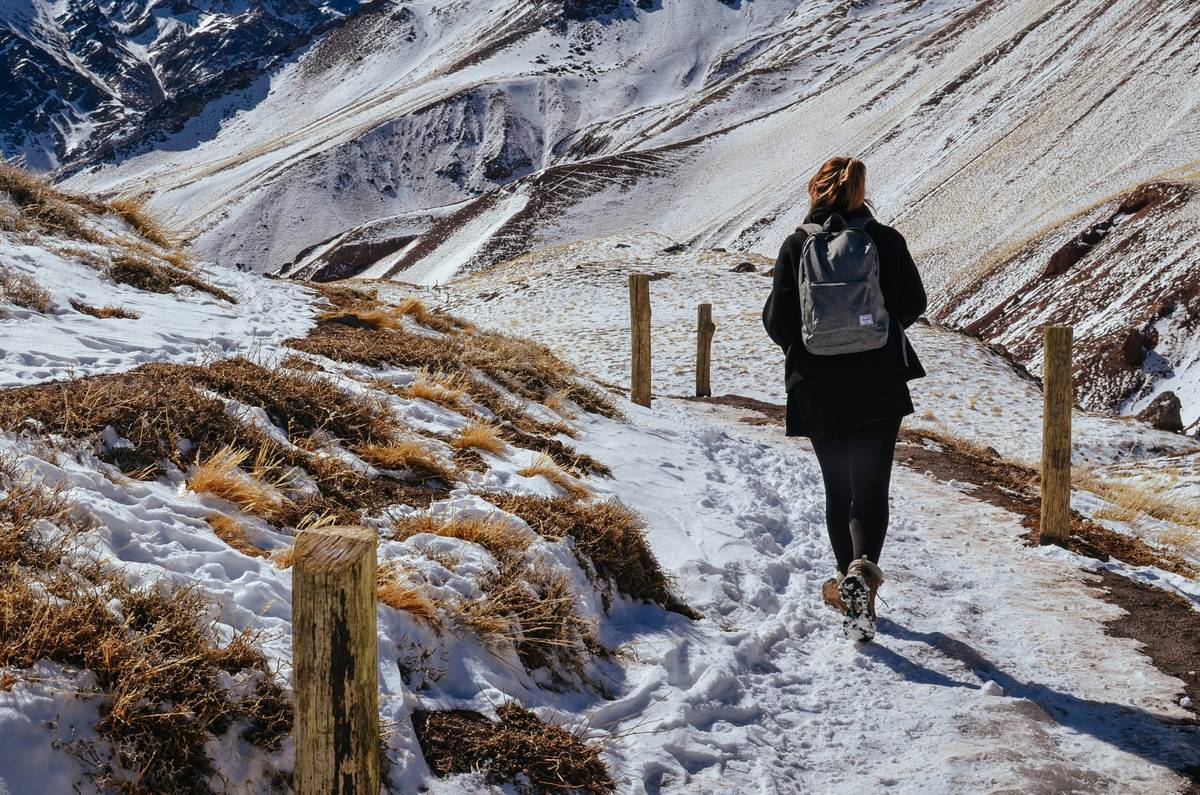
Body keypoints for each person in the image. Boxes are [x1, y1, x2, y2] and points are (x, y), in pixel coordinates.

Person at [762, 156, 926, 642]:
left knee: (838, 489)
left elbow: (777, 322)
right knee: (871, 488)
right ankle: (862, 573)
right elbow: (914, 303)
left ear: (816, 190)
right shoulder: (887, 241)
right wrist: (875, 331)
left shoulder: (797, 246)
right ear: (860, 192)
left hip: (817, 387)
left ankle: (844, 581)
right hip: (879, 383)